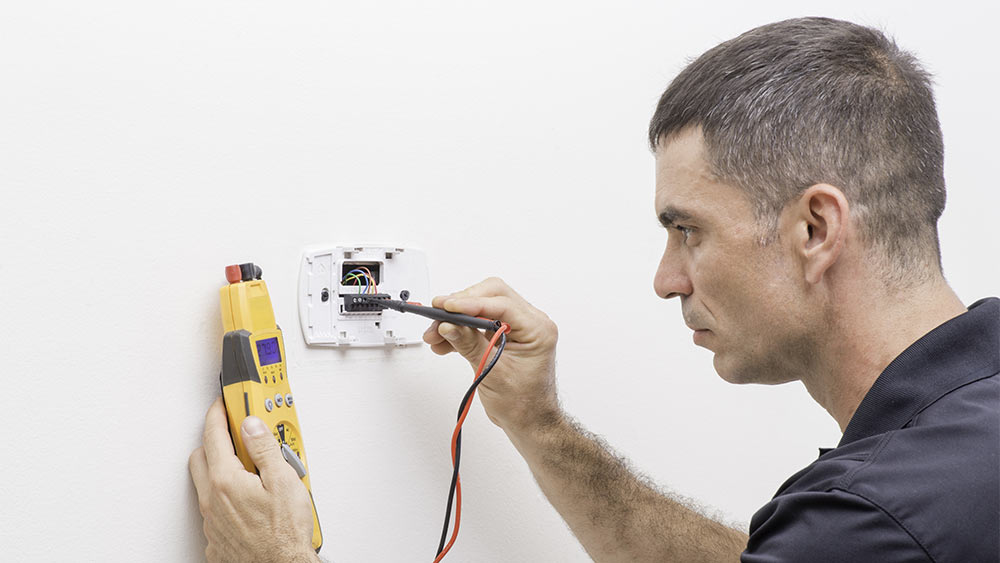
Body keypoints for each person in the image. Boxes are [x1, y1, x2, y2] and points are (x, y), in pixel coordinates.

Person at [189, 16, 999, 562]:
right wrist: (541, 427)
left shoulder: (870, 522)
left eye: (688, 229)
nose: (665, 278)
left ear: (816, 229)